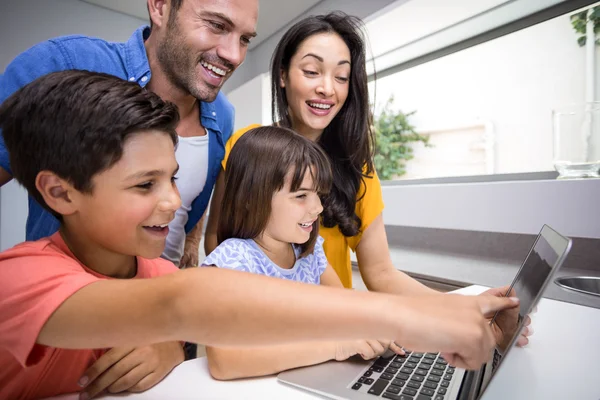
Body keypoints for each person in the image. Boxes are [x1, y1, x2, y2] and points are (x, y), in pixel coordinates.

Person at [0, 71, 518, 400]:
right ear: (60, 192)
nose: (174, 202)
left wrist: (171, 350)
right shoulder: (19, 277)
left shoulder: (152, 270)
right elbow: (184, 300)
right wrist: (422, 317)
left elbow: (179, 321)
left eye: (173, 178)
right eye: (144, 184)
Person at [204, 12, 532, 347]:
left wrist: (465, 309)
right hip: (262, 335)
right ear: (284, 75)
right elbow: (217, 238)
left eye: (342, 77)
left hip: (338, 336)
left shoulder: (357, 169)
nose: (327, 88)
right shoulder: (246, 146)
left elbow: (381, 273)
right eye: (312, 71)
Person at [0, 0, 260, 269]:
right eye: (217, 25)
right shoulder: (62, 65)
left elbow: (198, 191)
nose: (235, 56)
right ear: (160, 7)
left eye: (245, 40)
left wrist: (192, 241)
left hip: (164, 290)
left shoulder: (222, 115)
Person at [202, 126, 407, 380]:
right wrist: (334, 346)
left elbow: (346, 310)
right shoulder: (231, 262)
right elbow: (223, 362)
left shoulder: (310, 253)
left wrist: (375, 330)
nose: (318, 208)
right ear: (251, 197)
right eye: (301, 196)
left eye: (319, 195)